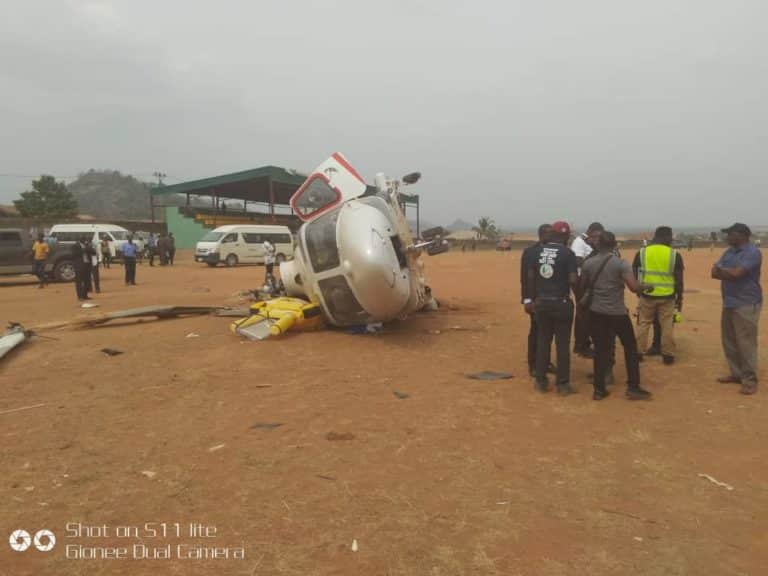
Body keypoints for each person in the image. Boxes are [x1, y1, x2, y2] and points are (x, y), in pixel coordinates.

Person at [582, 231, 653, 401]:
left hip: (596, 311)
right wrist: (647, 286)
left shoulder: (588, 263)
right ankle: (633, 387)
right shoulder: (621, 264)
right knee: (629, 347)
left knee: (600, 350)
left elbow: (582, 286)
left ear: (598, 245)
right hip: (617, 312)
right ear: (614, 245)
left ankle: (599, 390)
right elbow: (634, 287)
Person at [524, 221, 578, 395]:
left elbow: (530, 277)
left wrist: (532, 299)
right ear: (565, 236)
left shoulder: (536, 252)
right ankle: (562, 384)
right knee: (562, 345)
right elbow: (572, 280)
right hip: (561, 303)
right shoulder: (568, 254)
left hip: (542, 303)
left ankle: (541, 381)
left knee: (543, 342)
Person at [712, 223, 762, 395]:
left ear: (741, 235)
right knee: (730, 341)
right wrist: (727, 271)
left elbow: (736, 274)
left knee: (746, 343)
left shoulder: (752, 252)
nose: (727, 237)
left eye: (730, 234)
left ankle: (749, 380)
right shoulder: (729, 252)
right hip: (729, 302)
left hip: (746, 303)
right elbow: (714, 272)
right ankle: (737, 374)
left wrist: (724, 271)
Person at [633, 226, 684, 365]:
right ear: (666, 237)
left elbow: (635, 274)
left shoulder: (642, 252)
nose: (671, 240)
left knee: (643, 324)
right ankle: (668, 355)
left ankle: (638, 352)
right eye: (670, 237)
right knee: (667, 325)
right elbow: (679, 280)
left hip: (647, 295)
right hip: (667, 297)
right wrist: (680, 298)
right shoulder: (674, 255)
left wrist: (639, 291)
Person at [521, 224, 554, 376]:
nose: (552, 236)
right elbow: (525, 278)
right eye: (549, 234)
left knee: (549, 332)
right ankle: (533, 364)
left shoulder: (554, 252)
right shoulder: (530, 252)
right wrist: (527, 299)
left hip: (551, 299)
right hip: (536, 299)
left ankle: (545, 362)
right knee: (536, 332)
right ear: (542, 234)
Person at [571, 222, 604, 357]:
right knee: (583, 313)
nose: (598, 239)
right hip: (580, 281)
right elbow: (577, 261)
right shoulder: (579, 242)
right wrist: (595, 262)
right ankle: (581, 344)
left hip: (587, 281)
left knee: (587, 313)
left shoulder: (588, 243)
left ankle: (584, 342)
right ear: (591, 232)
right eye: (596, 236)